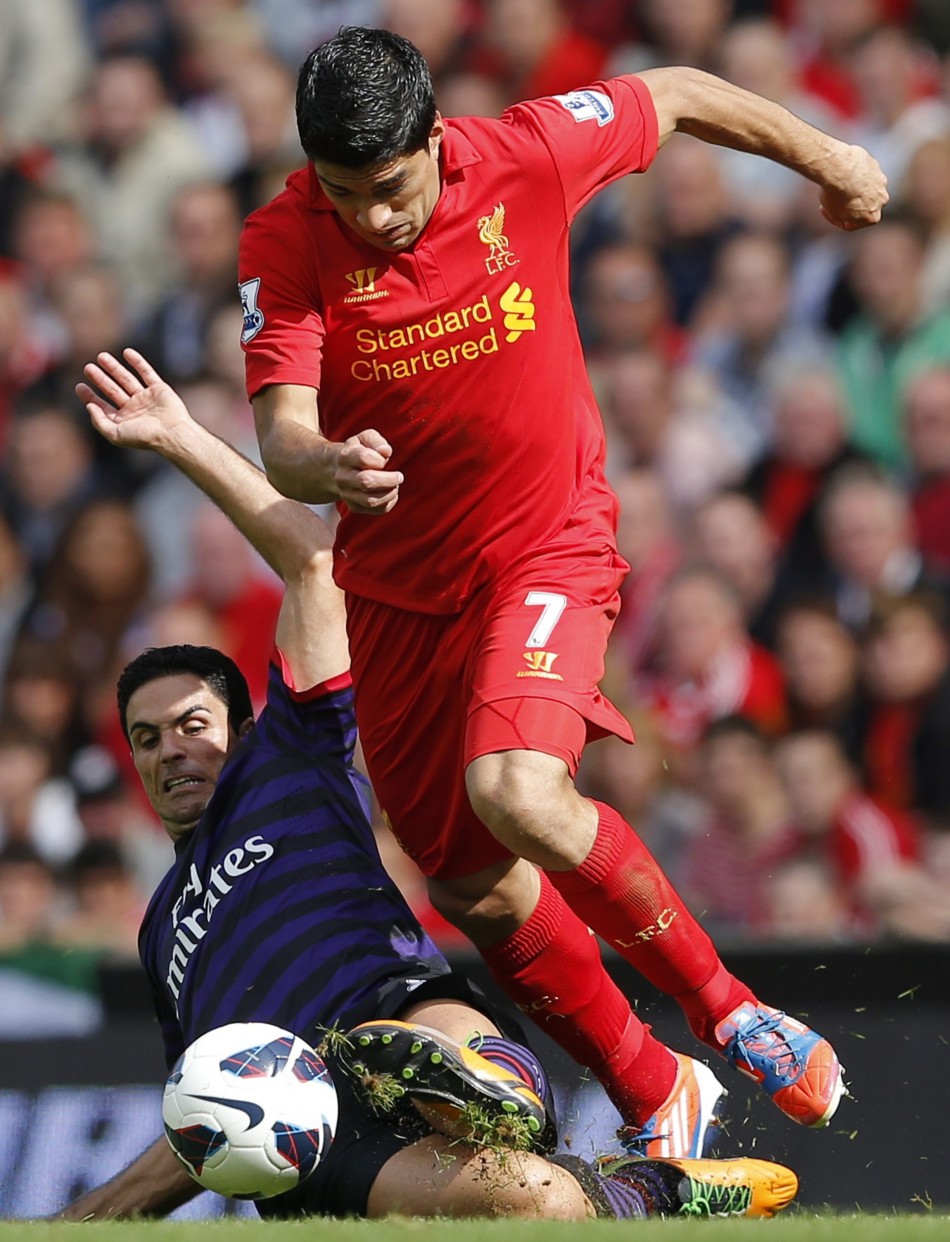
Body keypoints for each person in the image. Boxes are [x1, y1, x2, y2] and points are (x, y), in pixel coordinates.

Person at [239, 27, 886, 1153]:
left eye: (390, 188)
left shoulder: (527, 153)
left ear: (437, 141)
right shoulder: (285, 238)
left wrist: (826, 158)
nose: (372, 218)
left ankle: (732, 1011)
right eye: (344, 193)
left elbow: (676, 92)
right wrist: (323, 464)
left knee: (518, 792)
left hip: (546, 545)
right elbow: (283, 430)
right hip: (397, 593)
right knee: (469, 884)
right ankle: (653, 1089)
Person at [58, 349, 799, 1224]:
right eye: (146, 740)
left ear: (245, 728)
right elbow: (201, 1107)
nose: (170, 751)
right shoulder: (158, 934)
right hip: (308, 1138)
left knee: (419, 1036)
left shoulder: (287, 758)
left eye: (191, 725)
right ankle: (648, 1190)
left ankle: (488, 1085)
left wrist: (182, 437)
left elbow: (313, 564)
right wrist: (90, 1215)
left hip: (390, 1010)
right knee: (539, 1203)